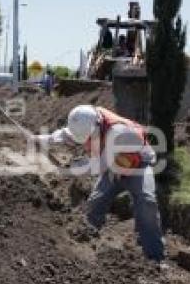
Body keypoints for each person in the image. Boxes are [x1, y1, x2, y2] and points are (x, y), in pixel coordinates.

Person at [33, 105, 165, 263]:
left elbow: (98, 166)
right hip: (112, 166)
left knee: (146, 201)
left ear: (97, 125)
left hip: (137, 165)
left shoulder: (119, 132)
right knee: (95, 203)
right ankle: (84, 246)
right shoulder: (86, 121)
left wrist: (71, 168)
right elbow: (67, 135)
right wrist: (41, 139)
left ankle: (155, 256)